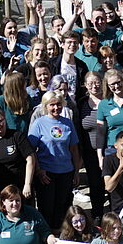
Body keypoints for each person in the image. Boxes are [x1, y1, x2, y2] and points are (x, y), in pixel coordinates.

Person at [28, 90, 82, 229]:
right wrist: (39, 170)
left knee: (63, 207)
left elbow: (74, 149)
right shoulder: (39, 123)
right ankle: (47, 239)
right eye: (52, 105)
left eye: (58, 104)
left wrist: (76, 172)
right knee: (47, 208)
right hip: (46, 173)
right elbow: (31, 150)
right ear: (45, 106)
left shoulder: (68, 123)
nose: (56, 108)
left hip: (66, 171)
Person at [77, 71, 108, 214]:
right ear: (85, 85)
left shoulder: (109, 100)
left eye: (97, 82)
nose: (94, 86)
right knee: (95, 184)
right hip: (90, 152)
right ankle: (97, 214)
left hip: (109, 150)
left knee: (111, 183)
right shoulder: (81, 103)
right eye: (90, 83)